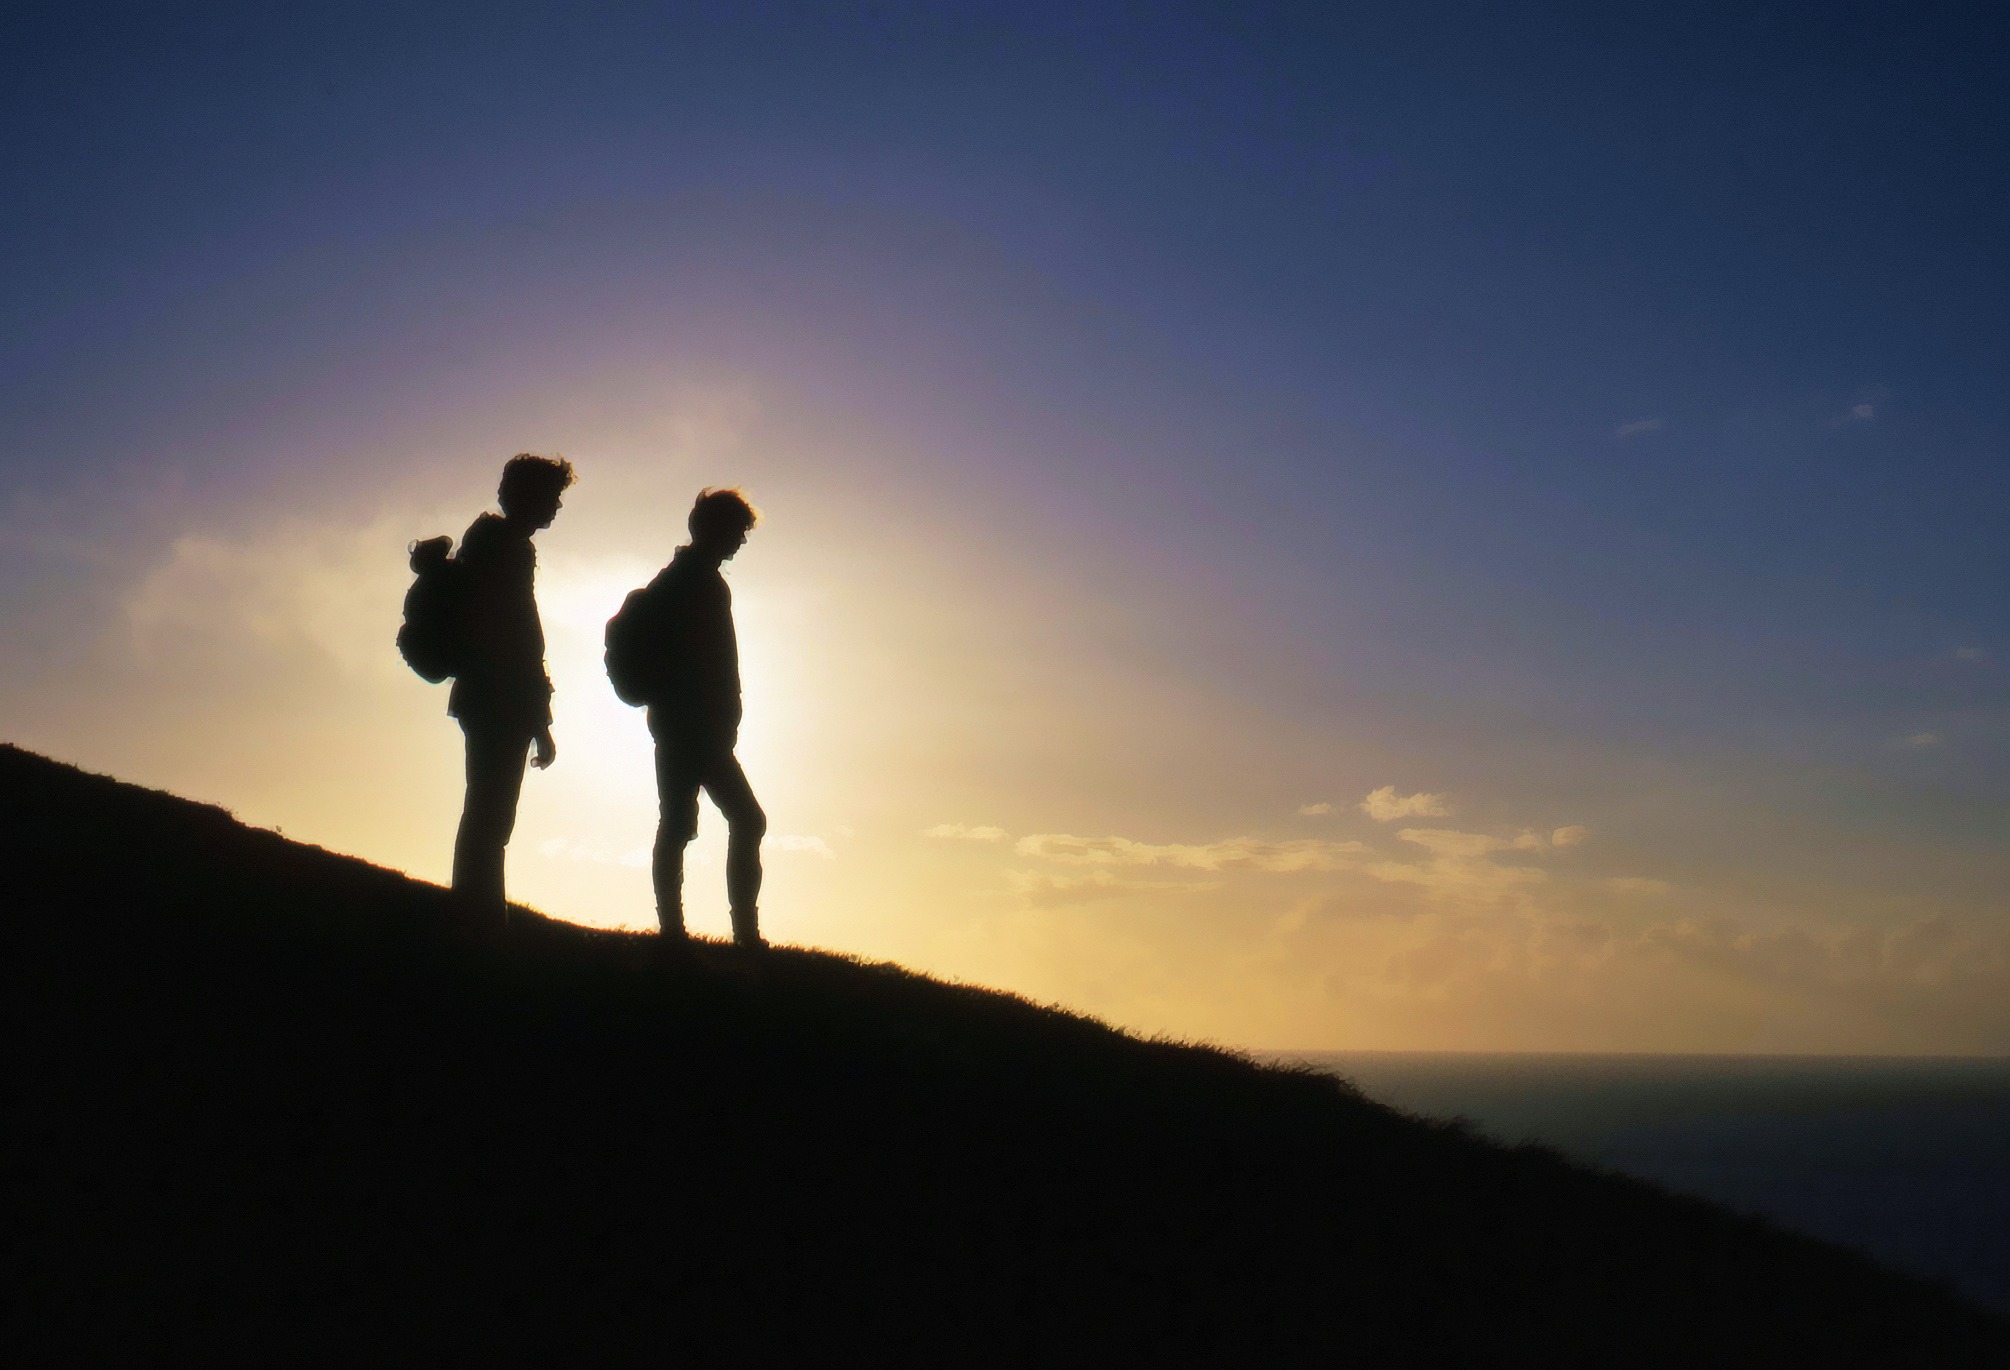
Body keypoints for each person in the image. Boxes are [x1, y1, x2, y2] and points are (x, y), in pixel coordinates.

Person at [449, 453, 574, 927]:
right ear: (529, 496)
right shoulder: (508, 548)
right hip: (498, 698)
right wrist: (540, 721)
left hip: (484, 695)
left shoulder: (490, 542)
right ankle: (479, 919)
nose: (557, 508)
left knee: (486, 810)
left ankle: (476, 911)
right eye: (553, 497)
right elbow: (518, 639)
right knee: (491, 815)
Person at [642, 487, 766, 949]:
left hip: (688, 724)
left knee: (683, 823)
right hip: (689, 725)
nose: (741, 541)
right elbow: (699, 660)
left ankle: (682, 930)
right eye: (737, 531)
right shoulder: (693, 582)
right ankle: (727, 933)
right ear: (714, 529)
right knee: (734, 820)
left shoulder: (690, 578)